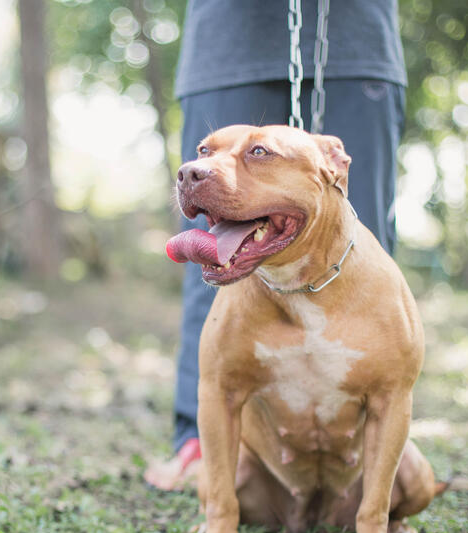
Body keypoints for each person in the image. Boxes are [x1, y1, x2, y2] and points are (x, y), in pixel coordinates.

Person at [144, 0, 407, 490]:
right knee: (218, 259)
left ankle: (373, 447)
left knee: (359, 238)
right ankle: (199, 443)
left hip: (355, 41)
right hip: (227, 43)